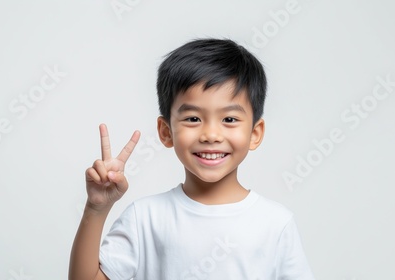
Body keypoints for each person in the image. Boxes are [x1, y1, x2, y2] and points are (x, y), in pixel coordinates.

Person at [69, 38, 315, 279]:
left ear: (254, 133)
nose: (210, 135)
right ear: (166, 132)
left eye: (229, 119)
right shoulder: (145, 218)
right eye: (193, 118)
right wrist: (97, 208)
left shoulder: (276, 223)